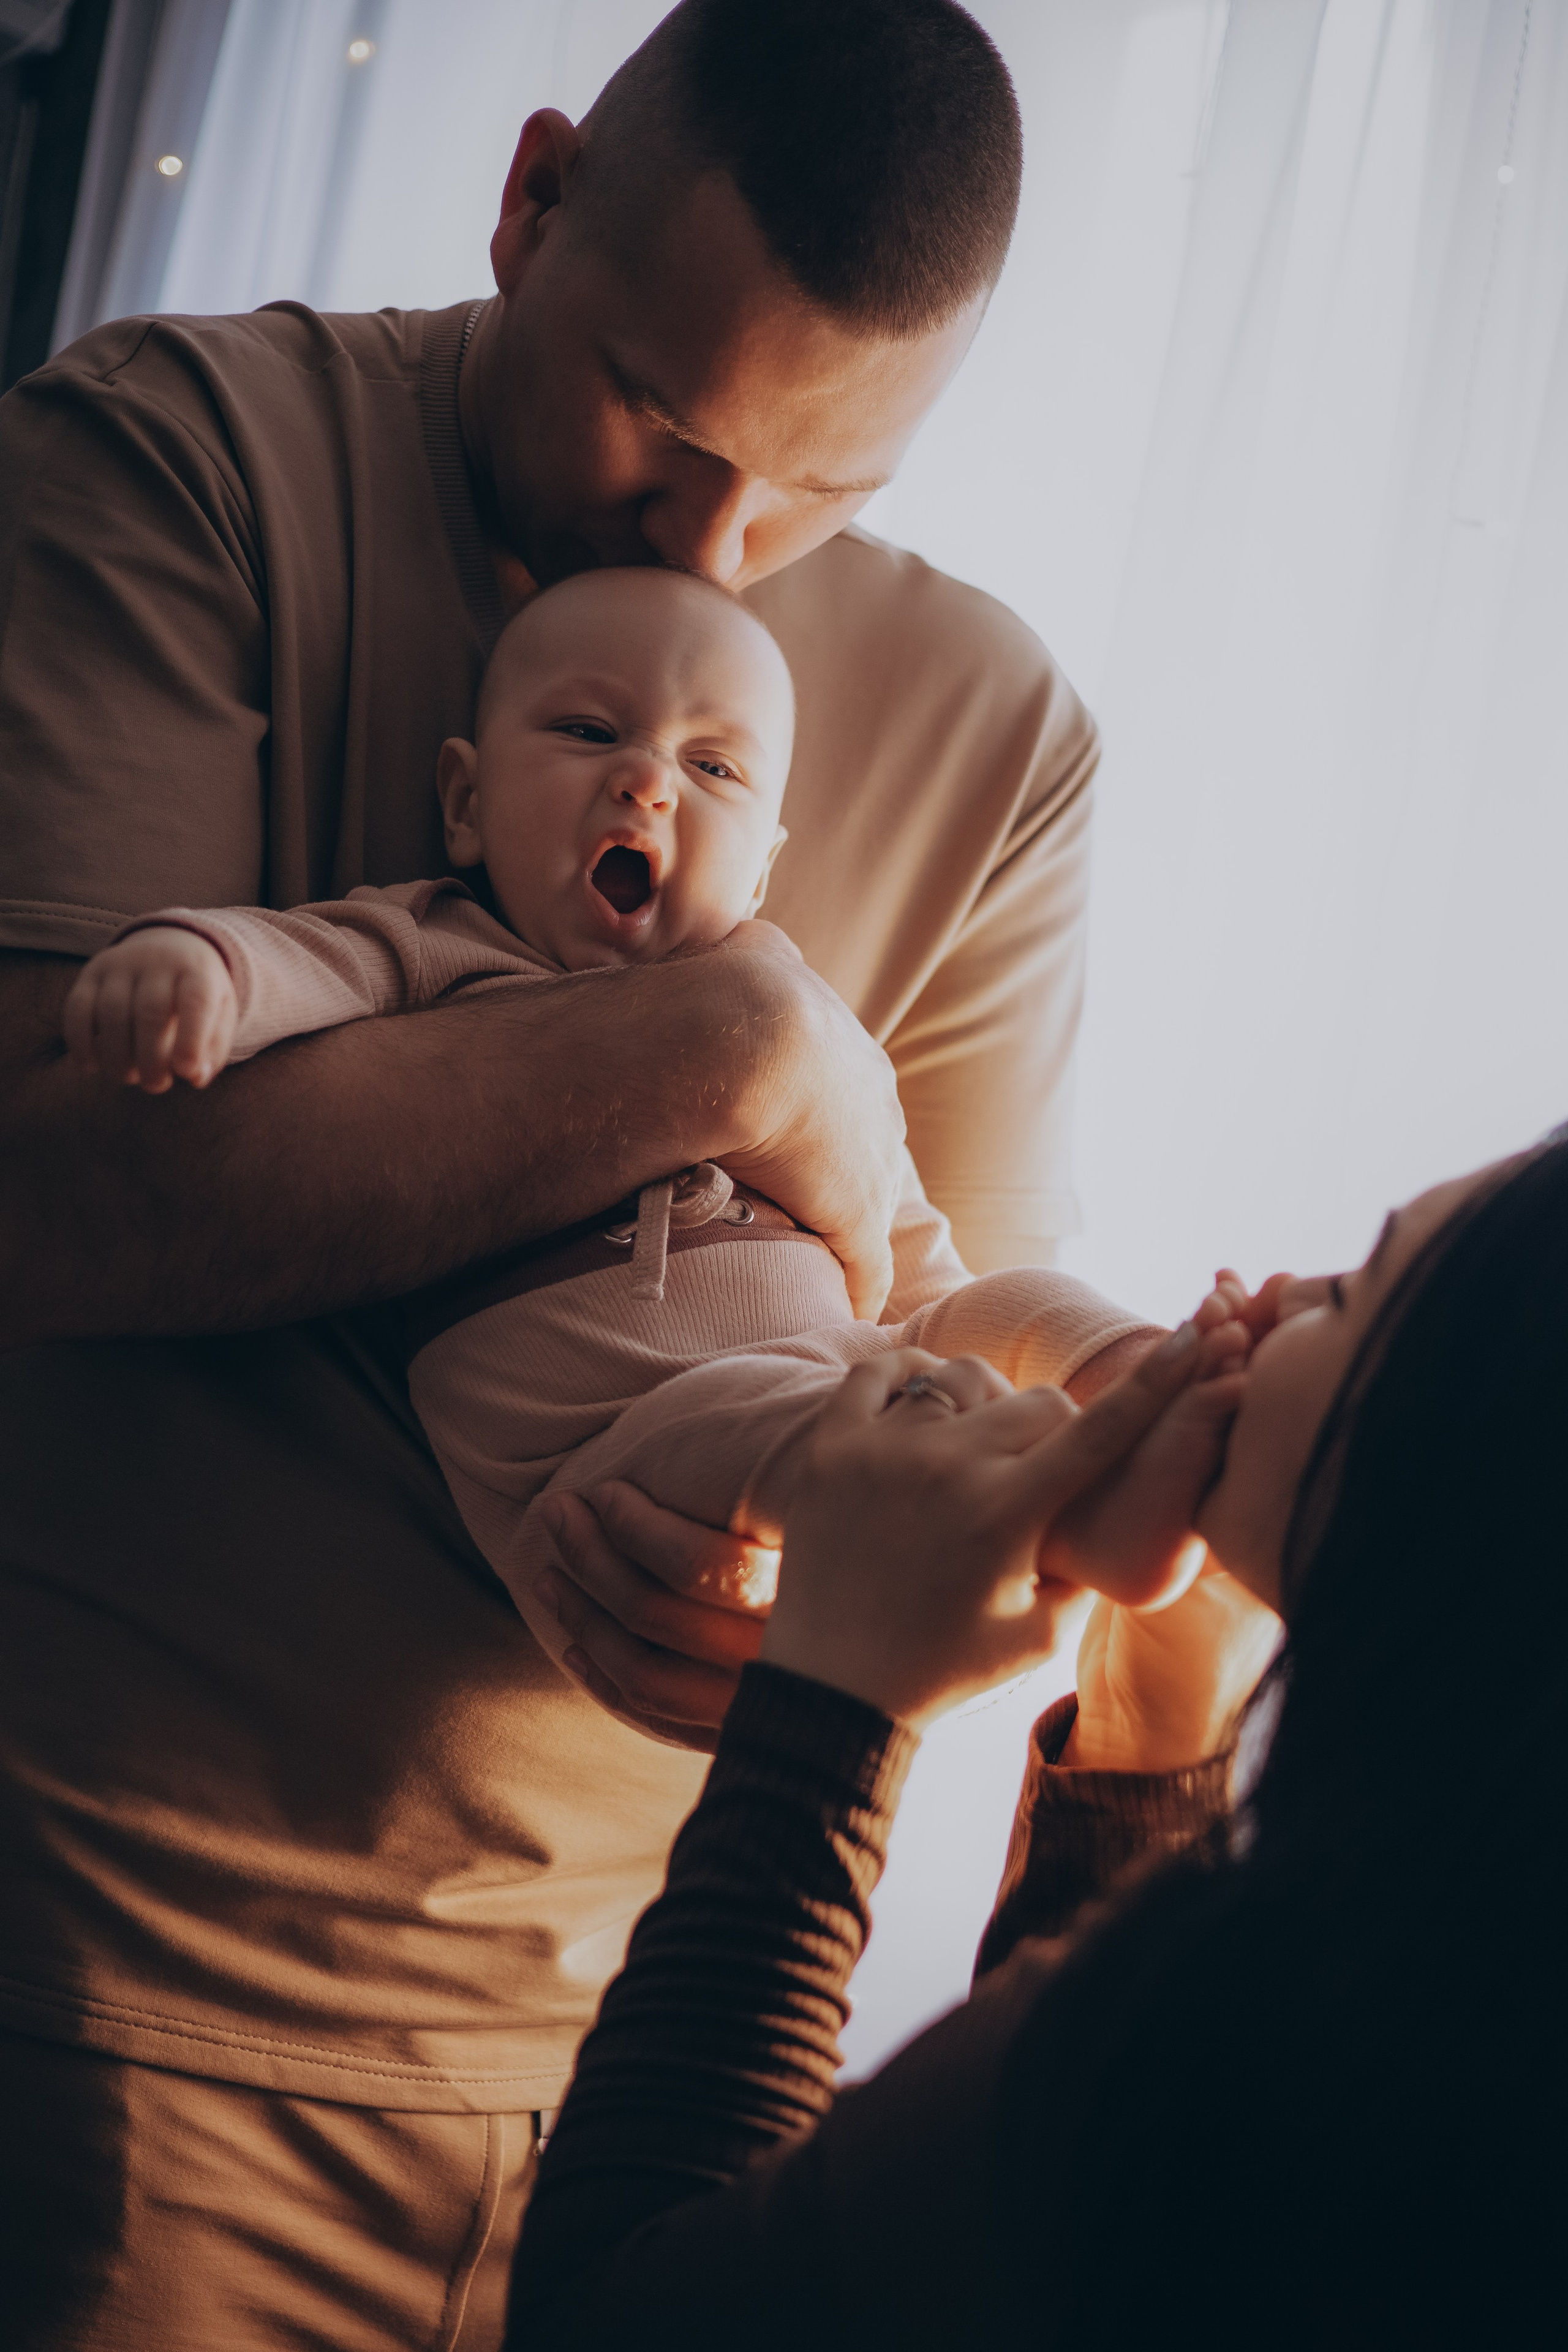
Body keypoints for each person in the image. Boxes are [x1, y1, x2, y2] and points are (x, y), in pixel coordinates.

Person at [0, 5, 1186, 2343]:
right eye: (666, 423)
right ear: (532, 196)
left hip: (639, 2084)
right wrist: (736, 1044)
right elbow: (51, 1194)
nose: (723, 547)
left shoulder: (1006, 733)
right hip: (121, 2017)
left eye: (819, 489)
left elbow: (940, 1347)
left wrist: (832, 1613)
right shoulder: (175, 458)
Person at [505, 1135, 1568, 2347]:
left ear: (1463, 1462)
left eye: (1351, 1292)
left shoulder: (1303, 2039)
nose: (1266, 1294)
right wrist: (1149, 1744)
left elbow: (608, 2311)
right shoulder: (1461, 2004)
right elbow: (1034, 2245)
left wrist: (831, 1712)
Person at [61, 565, 1166, 1695]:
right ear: (467, 802)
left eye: (714, 766)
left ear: (766, 866)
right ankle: (1048, 1502)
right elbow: (304, 964)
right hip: (618, 1444)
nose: (646, 782)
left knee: (993, 1308)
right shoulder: (442, 947)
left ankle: (1140, 1392)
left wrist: (955, 1319)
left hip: (852, 1365)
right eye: (591, 732)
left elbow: (901, 1222)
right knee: (785, 1436)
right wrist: (196, 968)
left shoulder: (784, 1000)